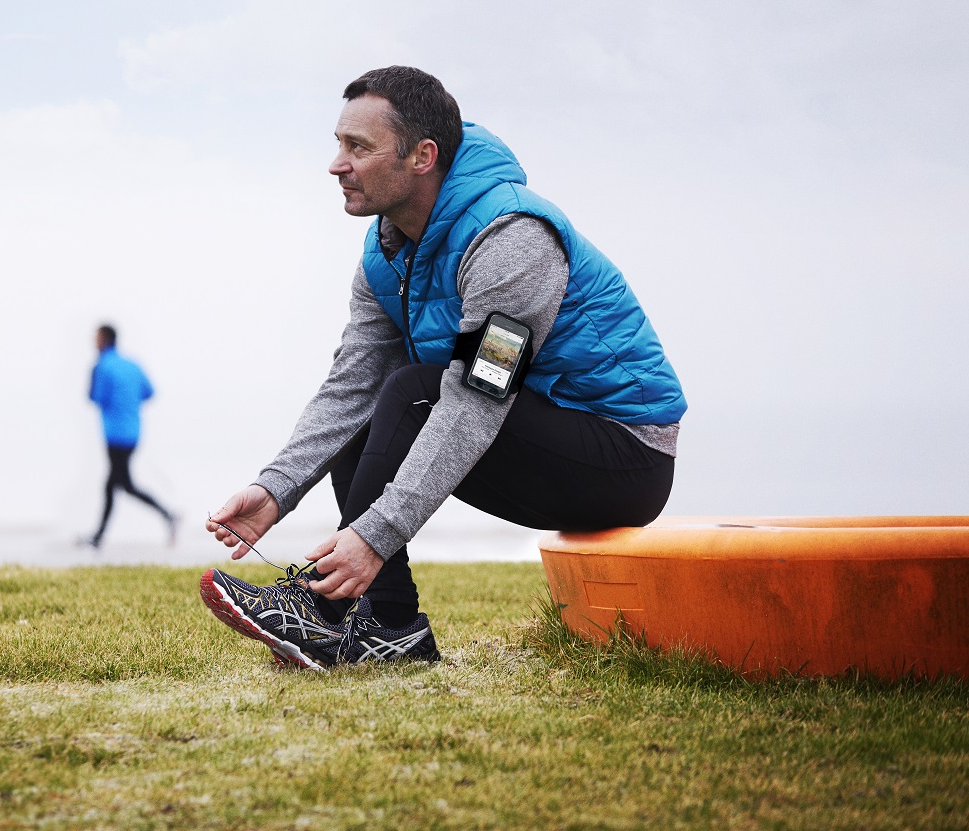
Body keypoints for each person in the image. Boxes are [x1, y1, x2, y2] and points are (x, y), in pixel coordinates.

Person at [200, 67, 686, 671]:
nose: (335, 164)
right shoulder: (387, 252)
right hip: (525, 438)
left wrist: (375, 534)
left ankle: (320, 613)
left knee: (409, 390)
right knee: (381, 396)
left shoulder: (512, 238)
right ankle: (392, 630)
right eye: (338, 143)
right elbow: (349, 387)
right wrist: (277, 489)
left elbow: (479, 395)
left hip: (622, 458)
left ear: (422, 157)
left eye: (358, 147)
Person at [85, 324, 177, 549]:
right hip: (134, 433)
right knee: (117, 484)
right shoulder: (133, 365)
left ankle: (169, 515)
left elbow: (95, 397)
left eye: (96, 338)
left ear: (104, 340)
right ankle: (98, 537)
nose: (93, 343)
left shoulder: (102, 366)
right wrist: (129, 402)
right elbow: (149, 392)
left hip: (114, 434)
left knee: (120, 485)